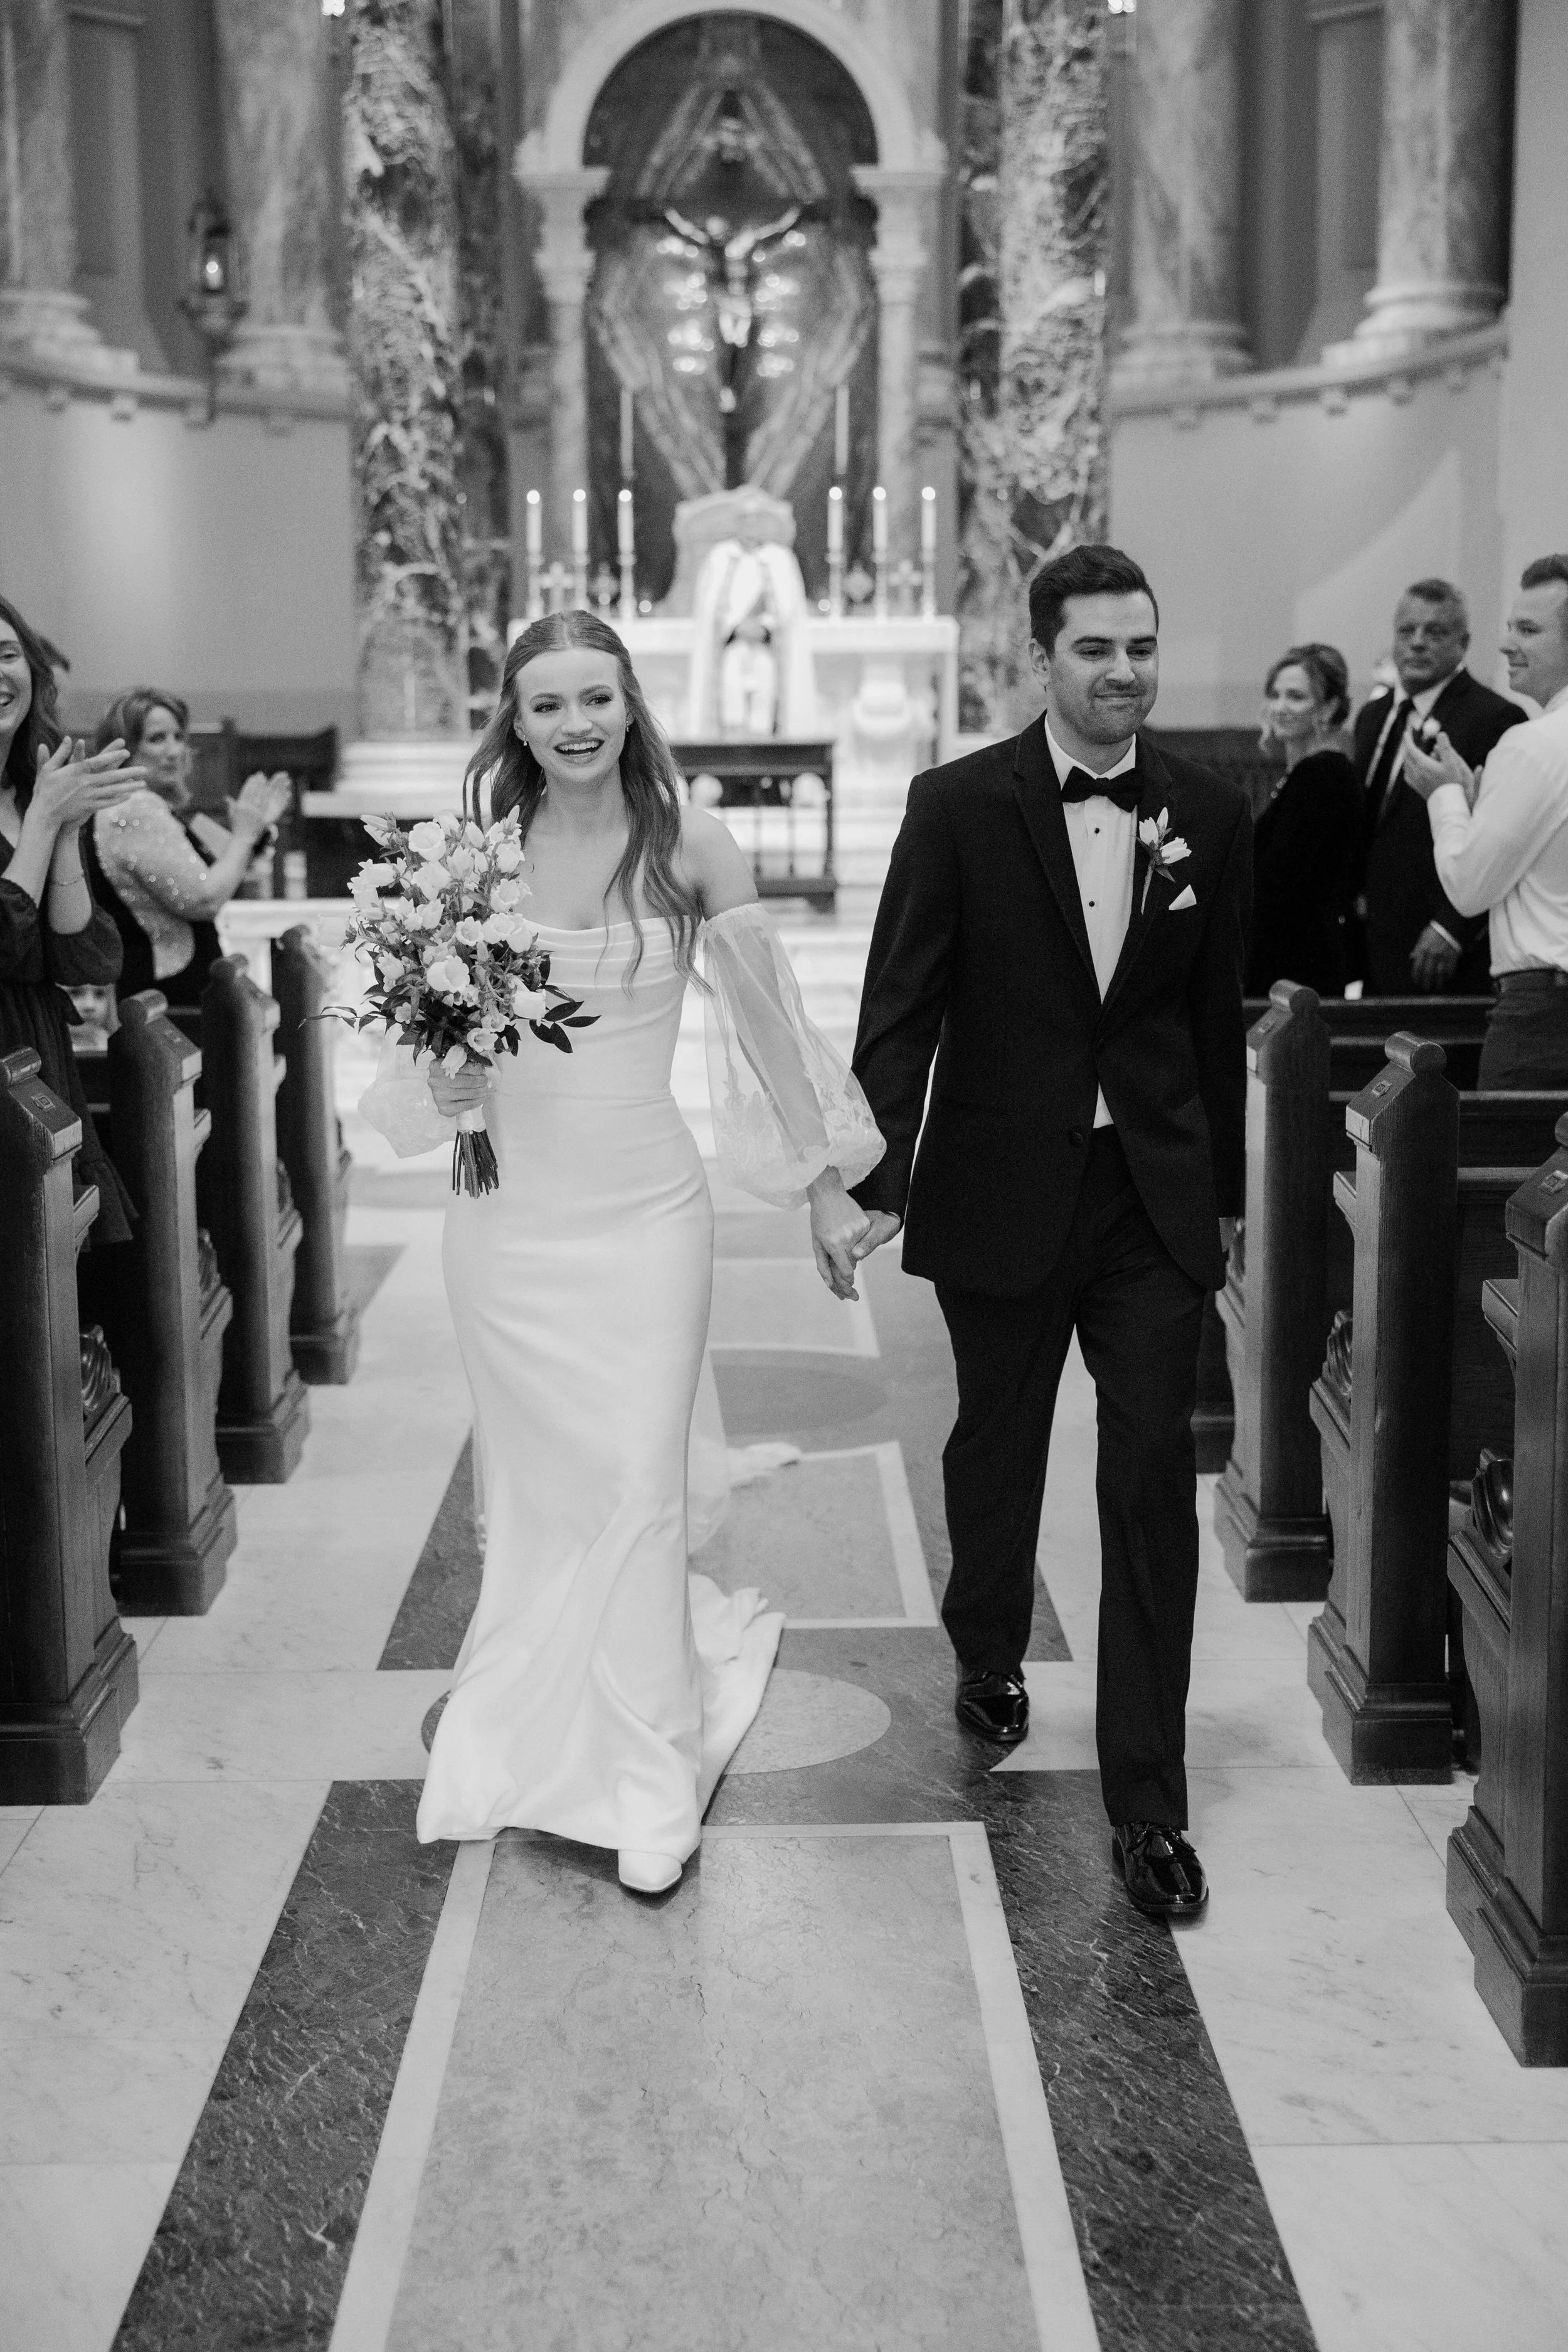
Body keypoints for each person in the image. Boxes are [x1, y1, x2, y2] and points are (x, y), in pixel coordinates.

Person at [359, 610, 884, 1895]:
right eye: (547, 706)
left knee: (641, 1483)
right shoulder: (471, 860)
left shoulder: (692, 845)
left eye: (596, 698)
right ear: (516, 723)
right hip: (508, 1222)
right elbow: (426, 1066)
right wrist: (449, 1064)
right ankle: (531, 1722)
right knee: (543, 1495)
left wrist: (822, 1189)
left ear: (632, 704)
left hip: (648, 1211)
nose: (575, 724)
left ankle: (648, 1770)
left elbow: (766, 1029)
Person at [845, 544, 1251, 1920]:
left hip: (1148, 1196)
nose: (1123, 672)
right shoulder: (956, 805)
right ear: (1040, 657)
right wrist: (867, 1175)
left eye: (1141, 646)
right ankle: (986, 1644)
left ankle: (1146, 1802)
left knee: (1147, 1481)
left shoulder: (1204, 806)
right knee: (995, 1443)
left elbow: (1213, 1023)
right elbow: (899, 1005)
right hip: (1000, 1183)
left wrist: (1227, 1204)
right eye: (1094, 650)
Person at [0, 593, 143, 1246]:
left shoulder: (35, 789)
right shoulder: (37, 807)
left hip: (40, 1057)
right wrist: (42, 822)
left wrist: (62, 831)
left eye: (7, 656)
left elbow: (83, 959)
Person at [1404, 557, 1568, 1088]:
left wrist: (1446, 793)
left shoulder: (1534, 745)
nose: (1505, 644)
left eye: (1528, 629)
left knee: (1521, 1168)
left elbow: (1469, 887)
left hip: (1546, 1019)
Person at [1352, 578, 1524, 994]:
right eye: (1407, 631)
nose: (1418, 643)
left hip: (1441, 945)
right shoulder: (1374, 716)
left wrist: (1453, 927)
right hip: (1373, 935)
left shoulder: (1495, 718)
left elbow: (1504, 841)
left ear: (1463, 644)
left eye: (1435, 632)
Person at [87, 687, 290, 1007]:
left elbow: (229, 870)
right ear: (123, 748)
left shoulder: (149, 808)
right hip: (169, 997)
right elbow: (204, 898)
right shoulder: (135, 810)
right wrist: (245, 836)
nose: (174, 750)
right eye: (156, 739)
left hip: (165, 991)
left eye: (178, 737)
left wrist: (254, 831)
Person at [1246, 642, 1362, 997]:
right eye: (1275, 695)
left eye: (1296, 697)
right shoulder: (1307, 773)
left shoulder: (1322, 774)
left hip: (1299, 961)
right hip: (1291, 952)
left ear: (1328, 707)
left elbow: (1283, 881)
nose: (1280, 708)